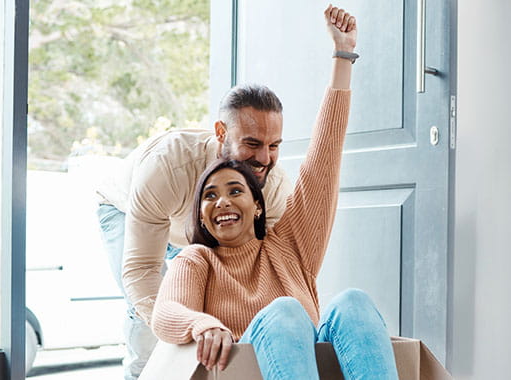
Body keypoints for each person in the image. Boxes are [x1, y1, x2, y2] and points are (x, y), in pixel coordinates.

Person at [151, 6, 399, 380]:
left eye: (235, 190)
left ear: (257, 207)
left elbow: (324, 158)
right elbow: (165, 313)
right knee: (284, 312)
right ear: (200, 214)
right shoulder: (197, 260)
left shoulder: (291, 246)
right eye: (209, 196)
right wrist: (201, 323)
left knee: (353, 302)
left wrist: (343, 55)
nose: (221, 202)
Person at [95, 59, 295, 380]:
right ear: (221, 132)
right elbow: (141, 269)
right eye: (252, 144)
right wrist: (185, 328)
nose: (263, 159)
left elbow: (266, 271)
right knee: (151, 308)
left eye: (274, 146)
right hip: (125, 209)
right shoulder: (167, 166)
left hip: (198, 231)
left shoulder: (273, 187)